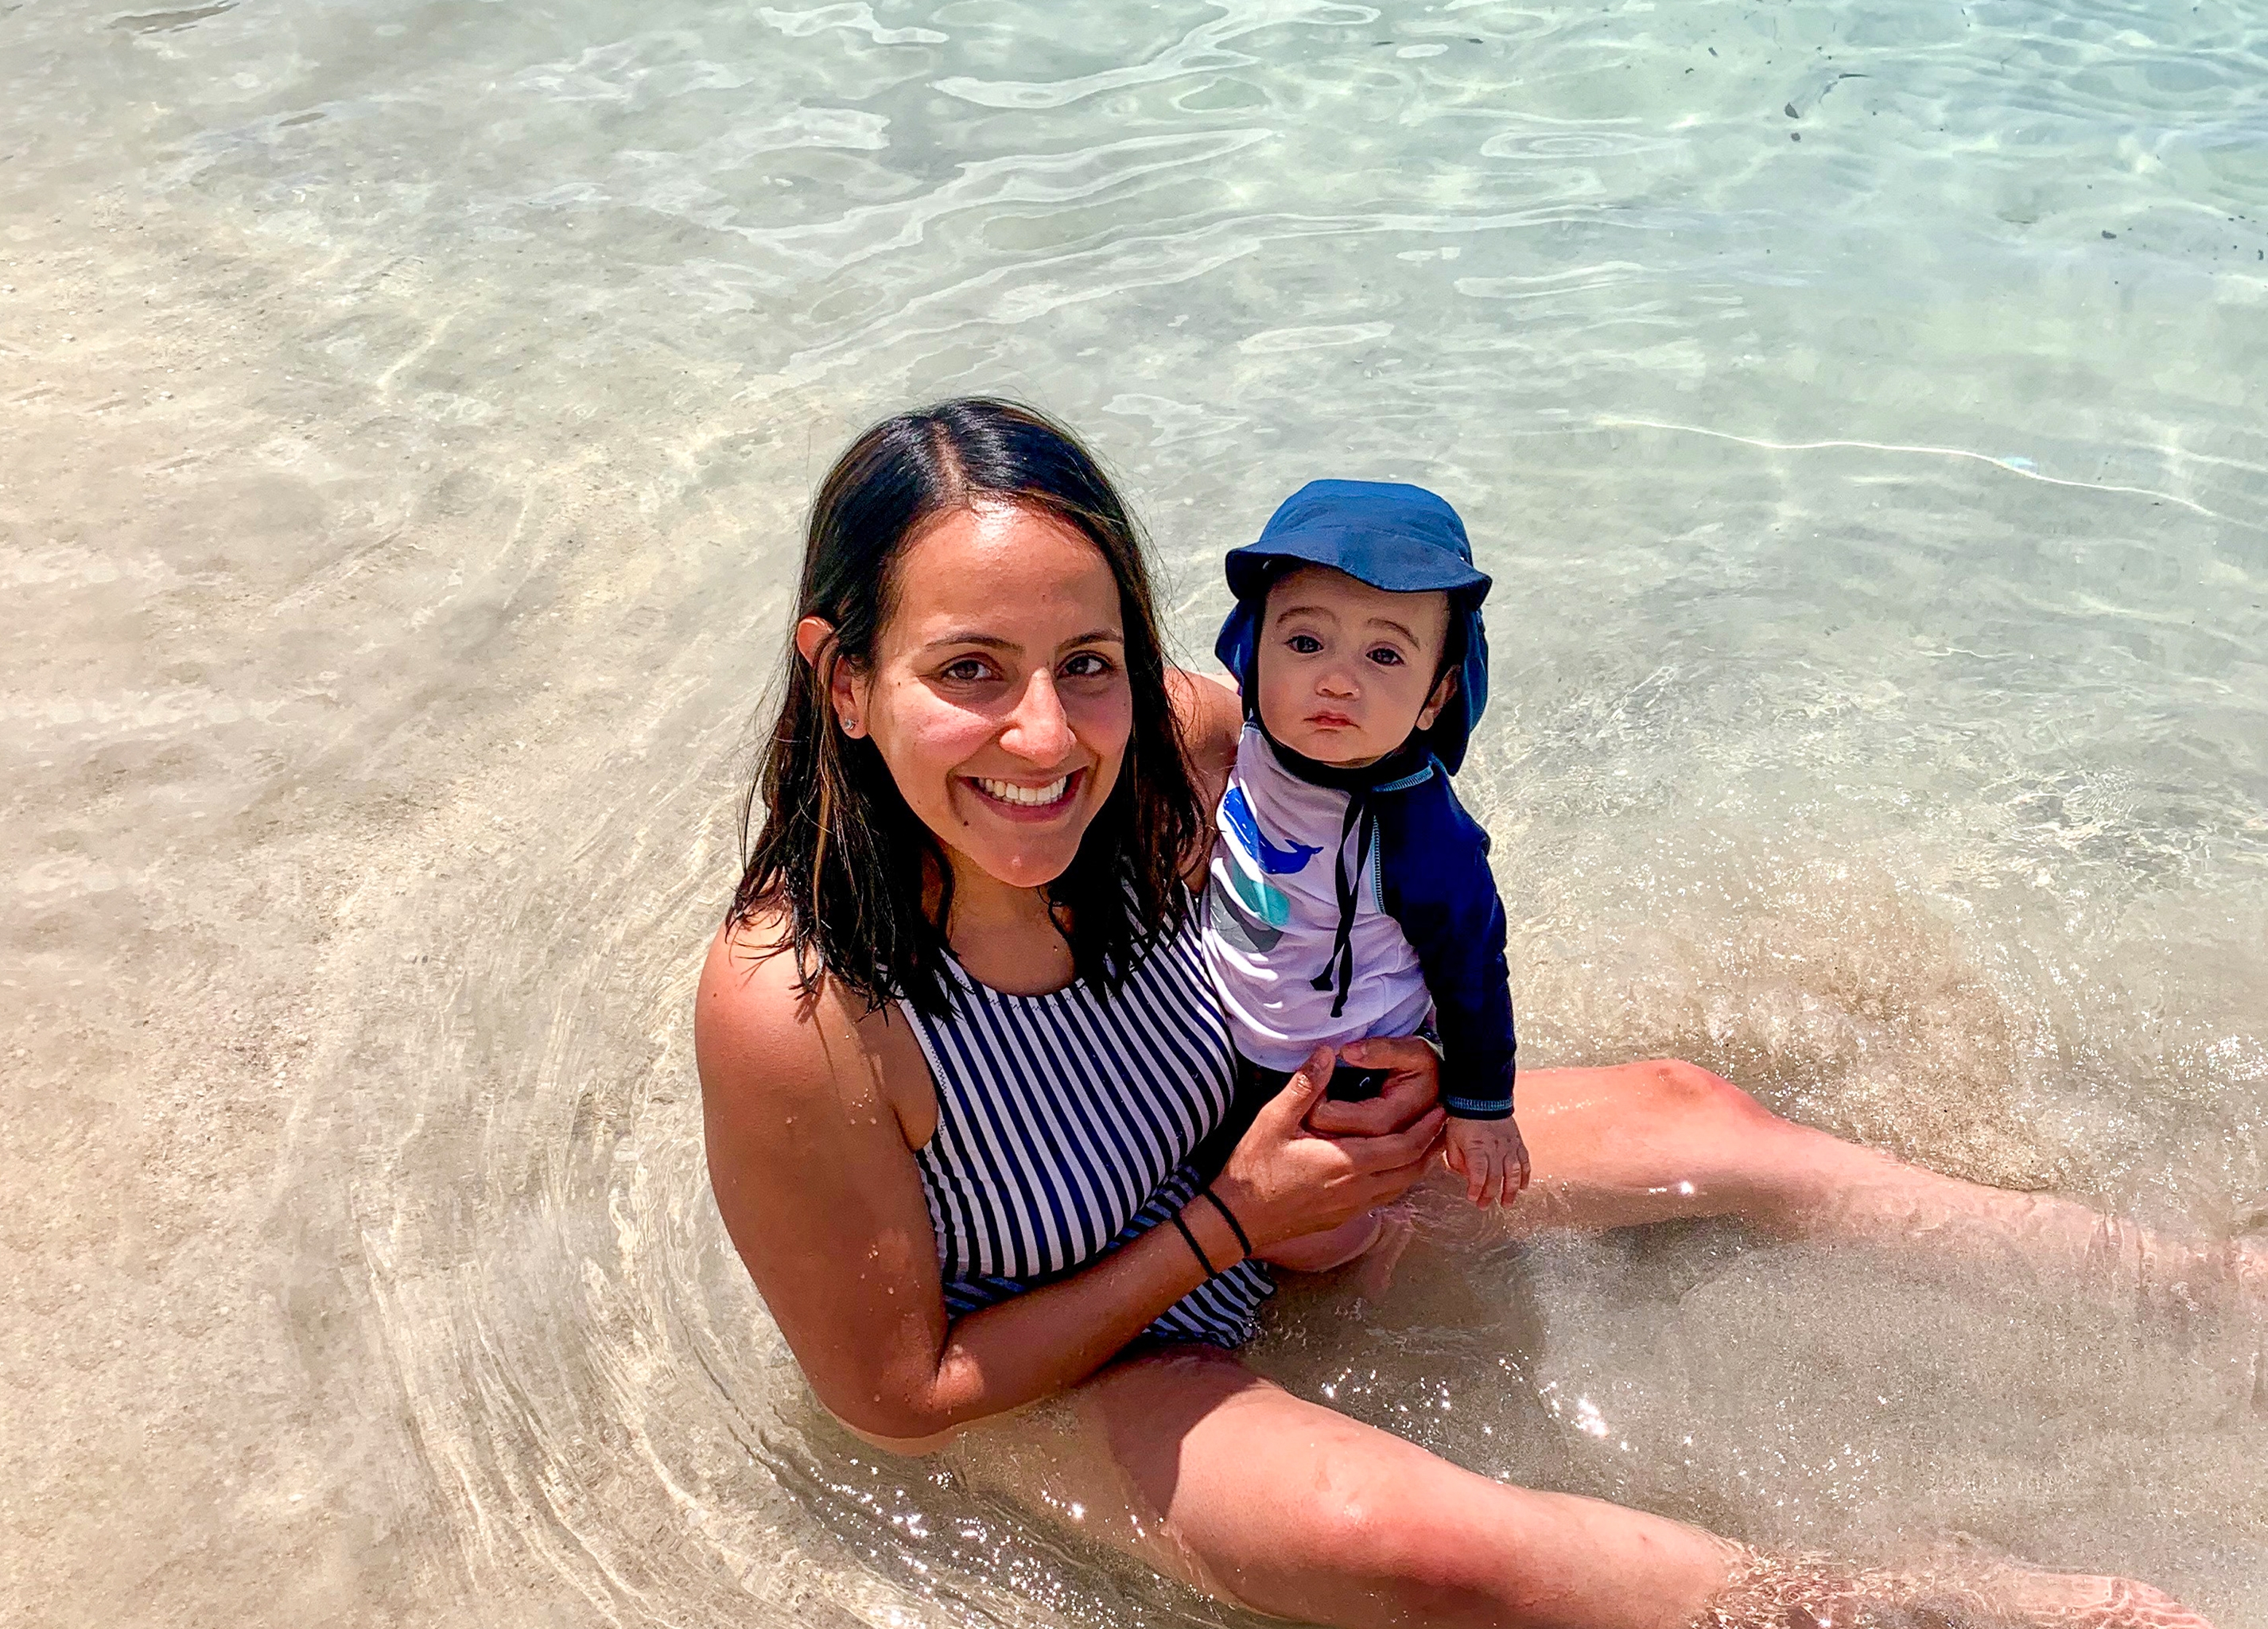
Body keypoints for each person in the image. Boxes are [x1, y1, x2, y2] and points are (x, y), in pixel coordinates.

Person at [695, 397, 2229, 1628]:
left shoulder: (1164, 739)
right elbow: (900, 1395)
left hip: (1274, 1176)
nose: (1043, 734)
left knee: (1704, 1114)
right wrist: (1221, 1230)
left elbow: (1375, 824)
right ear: (842, 676)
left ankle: (2191, 1288)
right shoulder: (805, 1002)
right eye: (968, 669)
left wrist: (1413, 1051)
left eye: (1084, 661)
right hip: (1080, 1356)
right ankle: (1898, 1609)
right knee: (1433, 1550)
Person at [1202, 481, 1526, 1289]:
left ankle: (1383, 1251)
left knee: (1314, 1244)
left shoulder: (1419, 832)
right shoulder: (1247, 740)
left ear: (1437, 695)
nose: (1338, 681)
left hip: (1348, 1068)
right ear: (1252, 647)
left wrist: (1484, 1105)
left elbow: (1475, 965)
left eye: (1384, 655)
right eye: (1305, 642)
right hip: (1234, 1033)